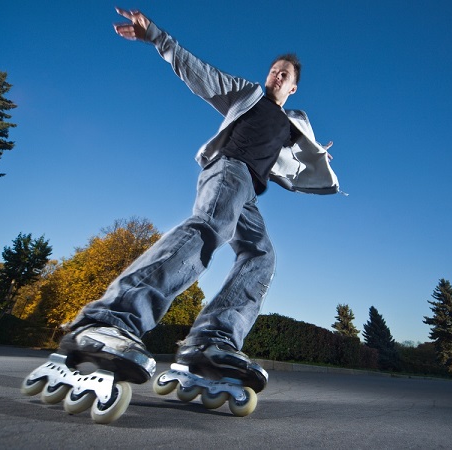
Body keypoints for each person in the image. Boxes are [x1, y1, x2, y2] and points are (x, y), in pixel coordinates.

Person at [58, 7, 340, 392]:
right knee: (210, 228)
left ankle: (212, 340)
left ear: (293, 87)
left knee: (262, 255)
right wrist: (158, 37)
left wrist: (317, 153)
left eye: (285, 74)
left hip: (249, 195)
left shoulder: (292, 128)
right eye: (274, 69)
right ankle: (111, 318)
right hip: (227, 171)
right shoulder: (249, 96)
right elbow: (200, 73)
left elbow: (300, 159)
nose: (277, 74)